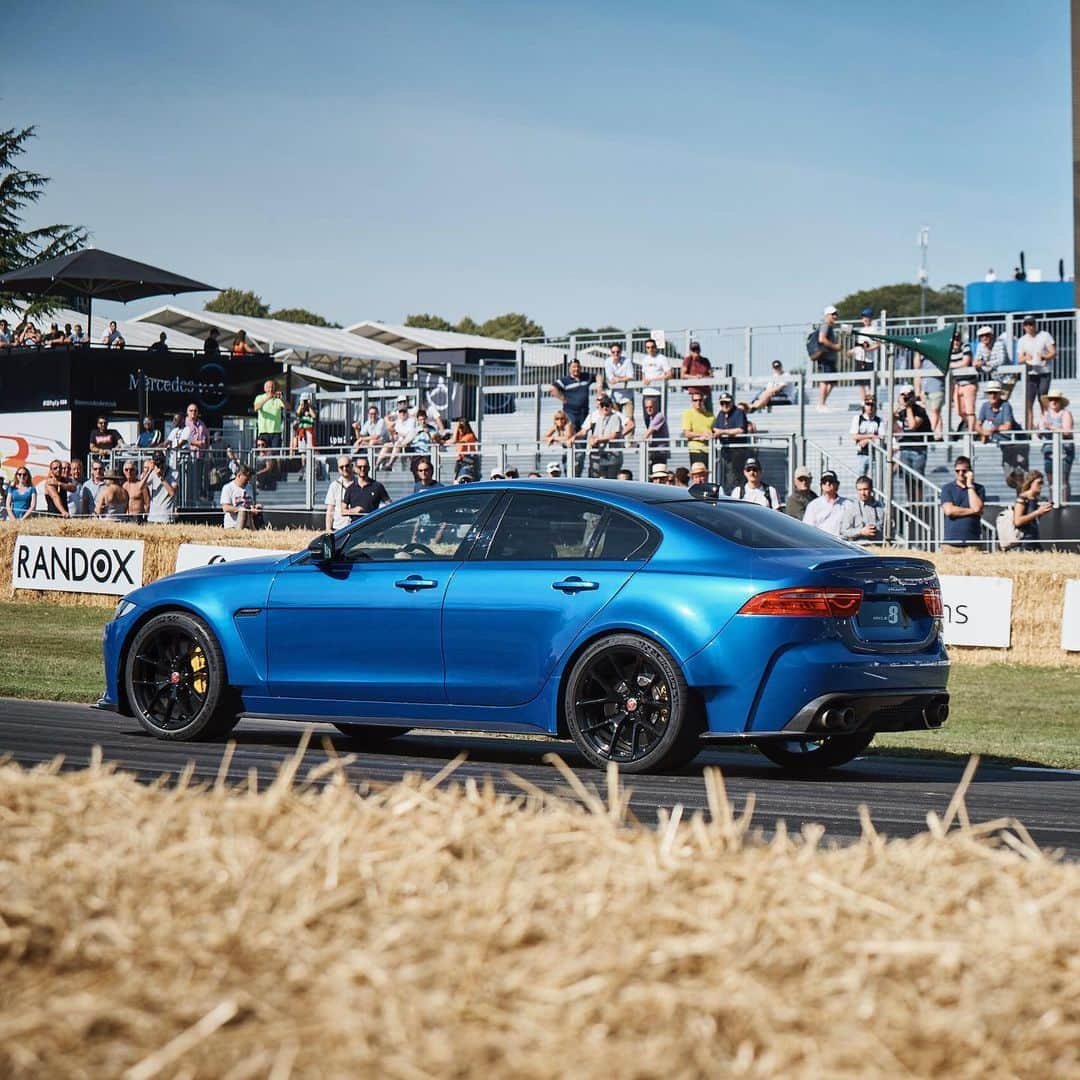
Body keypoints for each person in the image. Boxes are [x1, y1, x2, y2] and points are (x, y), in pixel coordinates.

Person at [1016, 316, 1056, 430]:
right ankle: (1028, 430)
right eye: (1027, 324)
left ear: (1035, 324)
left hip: (1044, 372)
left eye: (1032, 324)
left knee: (1043, 400)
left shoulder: (1045, 335)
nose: (1030, 327)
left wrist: (1044, 356)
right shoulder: (1022, 340)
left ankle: (1044, 427)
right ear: (1024, 326)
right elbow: (1019, 359)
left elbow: (1053, 352)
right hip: (1030, 374)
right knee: (1028, 403)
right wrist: (1025, 358)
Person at [939, 456, 985, 553]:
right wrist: (973, 511)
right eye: (957, 471)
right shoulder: (947, 488)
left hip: (973, 544)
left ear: (969, 472)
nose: (961, 473)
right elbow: (949, 511)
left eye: (964, 471)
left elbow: (977, 507)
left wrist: (970, 486)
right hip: (951, 543)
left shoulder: (979, 488)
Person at [894, 384, 931, 502]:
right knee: (907, 478)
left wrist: (909, 407)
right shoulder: (901, 411)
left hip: (918, 449)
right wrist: (896, 409)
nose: (906, 397)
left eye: (909, 395)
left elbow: (913, 425)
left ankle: (918, 503)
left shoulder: (920, 410)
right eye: (903, 395)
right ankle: (910, 502)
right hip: (905, 448)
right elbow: (890, 425)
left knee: (917, 478)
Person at [1039, 389, 1073, 502]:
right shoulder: (1045, 414)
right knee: (1051, 480)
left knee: (1063, 479)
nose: (1053, 401)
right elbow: (1039, 432)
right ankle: (1053, 501)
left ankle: (1064, 502)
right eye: (1051, 399)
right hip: (1049, 450)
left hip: (1064, 450)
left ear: (1060, 401)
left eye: (1056, 399)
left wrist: (1052, 428)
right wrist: (1040, 430)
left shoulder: (1065, 413)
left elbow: (1067, 432)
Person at [711, 392, 749, 490]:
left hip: (738, 451)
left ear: (732, 402)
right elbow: (715, 429)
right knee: (728, 478)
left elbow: (740, 430)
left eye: (727, 403)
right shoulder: (721, 414)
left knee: (736, 477)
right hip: (725, 452)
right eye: (722, 403)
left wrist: (722, 432)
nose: (725, 405)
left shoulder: (739, 412)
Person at [580, 395, 625, 478]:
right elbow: (595, 435)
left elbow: (614, 435)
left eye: (607, 405)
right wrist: (592, 440)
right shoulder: (600, 419)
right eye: (602, 405)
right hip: (602, 456)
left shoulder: (615, 417)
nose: (605, 408)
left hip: (613, 457)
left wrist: (598, 440)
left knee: (611, 481)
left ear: (611, 406)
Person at [1009, 470, 1053, 551]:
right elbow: (1018, 521)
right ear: (1031, 482)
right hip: (1024, 542)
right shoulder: (1022, 499)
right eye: (1039, 483)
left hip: (1034, 539)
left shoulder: (1034, 499)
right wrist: (1038, 512)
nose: (1041, 486)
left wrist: (1041, 512)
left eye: (1042, 483)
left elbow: (1032, 520)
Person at [550, 358, 594, 434]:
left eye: (578, 367)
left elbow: (598, 376)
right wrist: (562, 398)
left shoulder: (586, 377)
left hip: (584, 412)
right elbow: (552, 389)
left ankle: (580, 445)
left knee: (582, 435)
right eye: (573, 367)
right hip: (570, 413)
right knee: (570, 434)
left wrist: (599, 385)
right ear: (569, 368)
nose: (576, 369)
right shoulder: (565, 380)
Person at [840, 476, 885, 545]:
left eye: (865, 489)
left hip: (879, 548)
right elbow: (844, 531)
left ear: (871, 489)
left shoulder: (881, 507)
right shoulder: (851, 508)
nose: (862, 493)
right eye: (860, 490)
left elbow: (890, 529)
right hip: (859, 548)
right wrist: (861, 532)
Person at [813, 306, 842, 409]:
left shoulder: (829, 326)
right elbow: (822, 339)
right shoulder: (825, 325)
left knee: (832, 381)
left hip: (829, 358)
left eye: (836, 314)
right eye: (833, 314)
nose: (836, 316)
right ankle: (821, 404)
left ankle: (823, 403)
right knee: (825, 380)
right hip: (825, 358)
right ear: (827, 315)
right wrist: (835, 347)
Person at [802, 471, 847, 536]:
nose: (827, 483)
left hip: (841, 543)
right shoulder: (813, 505)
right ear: (821, 485)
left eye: (831, 481)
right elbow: (807, 529)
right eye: (824, 481)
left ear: (837, 484)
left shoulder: (848, 504)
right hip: (821, 543)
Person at [953, 337, 983, 433]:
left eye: (958, 339)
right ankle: (977, 430)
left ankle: (971, 432)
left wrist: (951, 365)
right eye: (954, 339)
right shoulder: (949, 350)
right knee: (959, 411)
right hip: (958, 384)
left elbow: (965, 363)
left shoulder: (965, 347)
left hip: (969, 382)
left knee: (970, 410)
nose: (956, 341)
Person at [604, 343, 636, 431]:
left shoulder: (627, 361)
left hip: (627, 396)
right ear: (610, 353)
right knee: (616, 420)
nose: (615, 354)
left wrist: (618, 379)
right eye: (613, 352)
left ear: (621, 352)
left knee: (630, 420)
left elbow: (631, 376)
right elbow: (611, 379)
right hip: (614, 397)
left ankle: (630, 443)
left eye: (618, 352)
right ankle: (618, 443)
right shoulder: (607, 361)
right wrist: (623, 379)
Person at [680, 390, 715, 469]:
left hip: (709, 450)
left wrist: (710, 435)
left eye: (700, 400)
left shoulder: (710, 416)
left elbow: (714, 431)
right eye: (695, 400)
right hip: (695, 450)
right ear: (692, 402)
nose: (698, 402)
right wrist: (702, 434)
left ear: (703, 401)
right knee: (697, 474)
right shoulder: (688, 414)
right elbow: (687, 433)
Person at [848, 308, 881, 390]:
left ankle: (870, 401)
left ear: (871, 318)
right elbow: (859, 346)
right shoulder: (861, 330)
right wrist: (852, 351)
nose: (865, 319)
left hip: (868, 360)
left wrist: (868, 349)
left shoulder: (874, 330)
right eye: (864, 317)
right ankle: (863, 401)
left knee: (870, 383)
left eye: (867, 316)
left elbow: (878, 344)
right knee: (860, 384)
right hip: (859, 359)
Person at [914, 352, 945, 440]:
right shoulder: (923, 355)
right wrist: (918, 352)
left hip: (937, 387)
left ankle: (932, 432)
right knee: (933, 413)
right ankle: (938, 435)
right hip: (925, 388)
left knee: (935, 411)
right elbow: (917, 367)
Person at [850, 396, 883, 478]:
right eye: (868, 404)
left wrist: (867, 440)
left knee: (875, 479)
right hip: (862, 453)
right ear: (864, 406)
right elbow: (854, 436)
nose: (870, 407)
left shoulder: (879, 420)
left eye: (872, 404)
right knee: (861, 477)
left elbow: (881, 436)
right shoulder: (858, 418)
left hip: (876, 454)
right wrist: (871, 436)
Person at [221, 465, 262, 529]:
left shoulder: (249, 487)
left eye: (250, 477)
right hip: (232, 526)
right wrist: (241, 510)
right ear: (239, 475)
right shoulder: (228, 488)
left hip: (248, 526)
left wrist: (255, 507)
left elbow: (250, 504)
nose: (248, 480)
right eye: (247, 477)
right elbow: (225, 508)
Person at [142, 451, 177, 524]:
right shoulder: (151, 472)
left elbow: (172, 493)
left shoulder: (173, 473)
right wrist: (149, 471)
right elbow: (140, 487)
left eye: (161, 462)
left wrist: (161, 477)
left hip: (166, 517)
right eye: (157, 462)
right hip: (152, 517)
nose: (159, 465)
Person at [324, 456, 358, 530]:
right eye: (341, 467)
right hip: (339, 528)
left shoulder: (360, 484)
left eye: (347, 466)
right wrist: (328, 529)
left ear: (352, 466)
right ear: (338, 469)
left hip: (357, 527)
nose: (344, 469)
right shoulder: (334, 486)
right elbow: (330, 511)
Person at [639, 389, 670, 467]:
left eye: (651, 407)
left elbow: (648, 433)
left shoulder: (659, 416)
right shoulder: (651, 418)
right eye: (646, 407)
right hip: (654, 452)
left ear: (656, 406)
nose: (648, 409)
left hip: (660, 453)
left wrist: (638, 442)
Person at [253, 380, 288, 448]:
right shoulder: (259, 397)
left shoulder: (277, 399)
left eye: (272, 387)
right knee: (263, 454)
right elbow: (256, 408)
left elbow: (288, 407)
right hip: (263, 431)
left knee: (275, 455)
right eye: (268, 387)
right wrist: (268, 398)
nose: (271, 389)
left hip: (276, 432)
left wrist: (282, 399)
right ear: (265, 389)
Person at [681, 340, 713, 410]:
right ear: (690, 351)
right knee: (694, 412)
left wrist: (703, 377)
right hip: (694, 392)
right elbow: (683, 375)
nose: (696, 352)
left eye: (697, 349)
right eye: (693, 350)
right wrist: (695, 377)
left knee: (708, 412)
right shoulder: (687, 360)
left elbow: (711, 376)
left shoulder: (705, 360)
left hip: (705, 391)